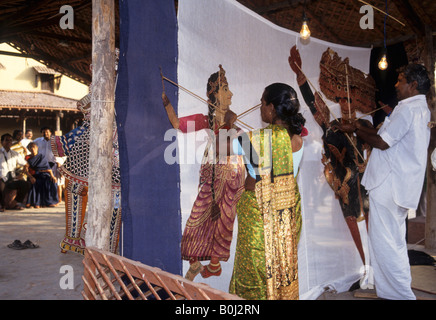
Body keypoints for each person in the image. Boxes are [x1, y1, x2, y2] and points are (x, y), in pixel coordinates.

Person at [337, 63, 431, 300]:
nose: (396, 85)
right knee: (394, 244)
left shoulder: (408, 109)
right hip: (397, 186)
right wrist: (357, 128)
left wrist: (356, 128)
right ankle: (396, 293)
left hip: (389, 186)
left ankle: (400, 296)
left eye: (400, 80)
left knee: (385, 245)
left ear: (413, 85)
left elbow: (382, 142)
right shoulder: (421, 109)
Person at [288, 45, 377, 264]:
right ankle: (365, 265)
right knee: (352, 222)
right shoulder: (332, 125)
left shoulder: (365, 124)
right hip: (345, 186)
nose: (346, 104)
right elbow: (313, 103)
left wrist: (368, 163)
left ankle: (375, 264)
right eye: (342, 99)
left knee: (372, 226)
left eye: (350, 99)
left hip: (368, 185)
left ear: (355, 102)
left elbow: (377, 148)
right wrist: (300, 75)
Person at [162, 65, 245, 280]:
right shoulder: (206, 120)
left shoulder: (235, 124)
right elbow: (177, 124)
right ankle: (196, 263)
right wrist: (167, 103)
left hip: (229, 179)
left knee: (223, 222)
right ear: (215, 95)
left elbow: (227, 148)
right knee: (195, 220)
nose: (231, 94)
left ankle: (215, 264)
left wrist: (229, 125)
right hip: (211, 177)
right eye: (226, 89)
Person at [229, 83, 306, 300]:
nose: (260, 108)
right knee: (281, 273)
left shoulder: (253, 140)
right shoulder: (298, 141)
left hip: (259, 219)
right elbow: (263, 168)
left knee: (254, 278)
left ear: (271, 108)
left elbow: (218, 146)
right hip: (286, 219)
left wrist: (227, 126)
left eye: (262, 103)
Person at [0, 133, 32, 211]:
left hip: (12, 178)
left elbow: (26, 164)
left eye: (10, 140)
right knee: (0, 186)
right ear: (1, 142)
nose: (9, 142)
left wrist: (22, 174)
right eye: (6, 140)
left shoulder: (15, 154)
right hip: (2, 178)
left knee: (26, 184)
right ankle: (2, 205)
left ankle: (15, 203)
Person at [34, 127, 65, 204]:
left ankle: (58, 200)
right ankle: (46, 200)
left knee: (57, 183)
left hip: (55, 164)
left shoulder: (56, 141)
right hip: (43, 165)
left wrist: (59, 162)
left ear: (51, 133)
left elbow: (64, 153)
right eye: (43, 132)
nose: (45, 133)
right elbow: (30, 147)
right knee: (45, 182)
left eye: (47, 132)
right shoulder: (38, 141)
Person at [25, 142, 59, 208]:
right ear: (29, 149)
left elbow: (48, 169)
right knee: (36, 182)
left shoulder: (42, 156)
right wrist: (31, 177)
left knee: (52, 181)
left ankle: (50, 202)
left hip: (44, 174)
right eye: (30, 147)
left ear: (37, 148)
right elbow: (26, 170)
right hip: (34, 175)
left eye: (33, 147)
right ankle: (36, 203)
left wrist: (52, 176)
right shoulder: (28, 158)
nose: (32, 149)